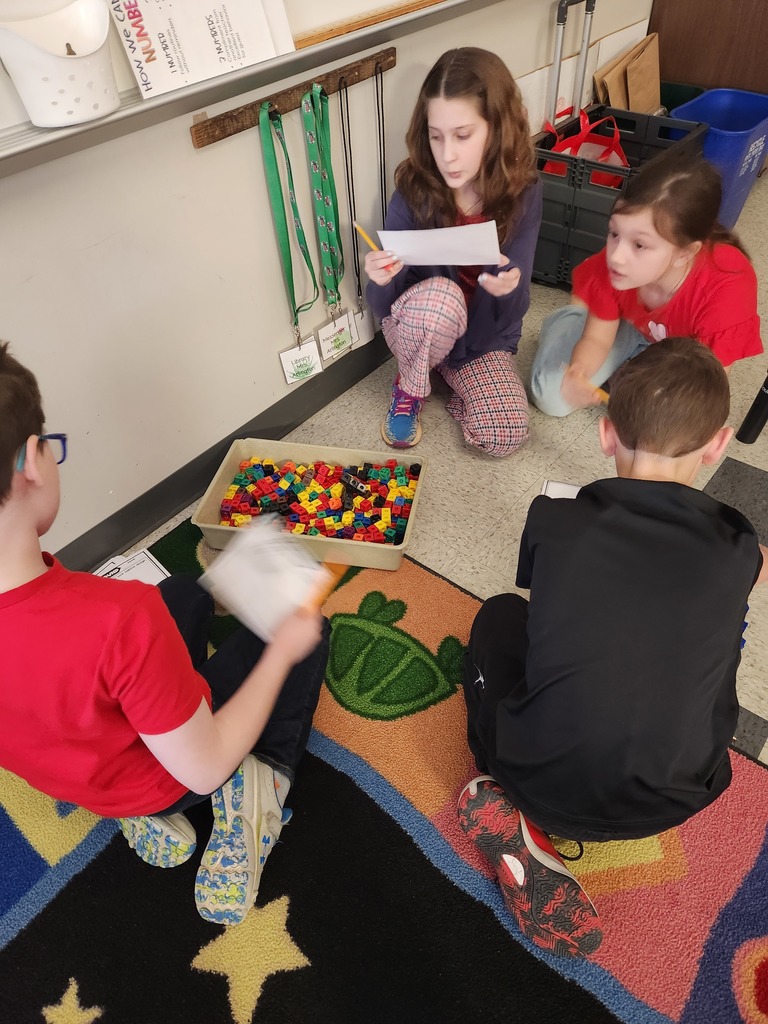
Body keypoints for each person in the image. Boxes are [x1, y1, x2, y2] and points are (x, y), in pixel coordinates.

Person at [0, 341, 330, 926]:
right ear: (30, 462)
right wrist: (281, 653)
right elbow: (204, 765)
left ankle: (134, 811)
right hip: (173, 775)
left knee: (181, 591)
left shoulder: (111, 617)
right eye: (51, 446)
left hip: (87, 778)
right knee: (305, 631)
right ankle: (259, 792)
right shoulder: (118, 618)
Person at [457, 337, 767, 958]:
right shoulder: (739, 547)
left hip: (533, 778)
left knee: (499, 616)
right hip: (670, 801)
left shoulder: (554, 517)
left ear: (606, 435)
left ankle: (521, 812)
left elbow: (542, 603)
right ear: (718, 444)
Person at [364, 47, 543, 455]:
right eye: (436, 135)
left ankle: (444, 373)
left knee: (505, 434)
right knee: (441, 302)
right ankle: (411, 385)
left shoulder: (525, 191)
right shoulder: (413, 188)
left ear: (497, 129)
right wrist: (381, 278)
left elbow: (515, 310)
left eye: (463, 136)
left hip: (481, 338)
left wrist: (509, 288)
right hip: (419, 321)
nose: (447, 155)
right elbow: (383, 306)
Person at [530, 153, 763, 417]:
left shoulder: (727, 288)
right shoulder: (618, 267)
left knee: (662, 414)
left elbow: (708, 381)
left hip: (681, 351)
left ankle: (631, 362)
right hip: (627, 324)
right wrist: (578, 372)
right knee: (552, 397)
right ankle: (567, 322)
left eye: (639, 245)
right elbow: (596, 338)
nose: (616, 256)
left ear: (685, 253)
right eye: (614, 233)